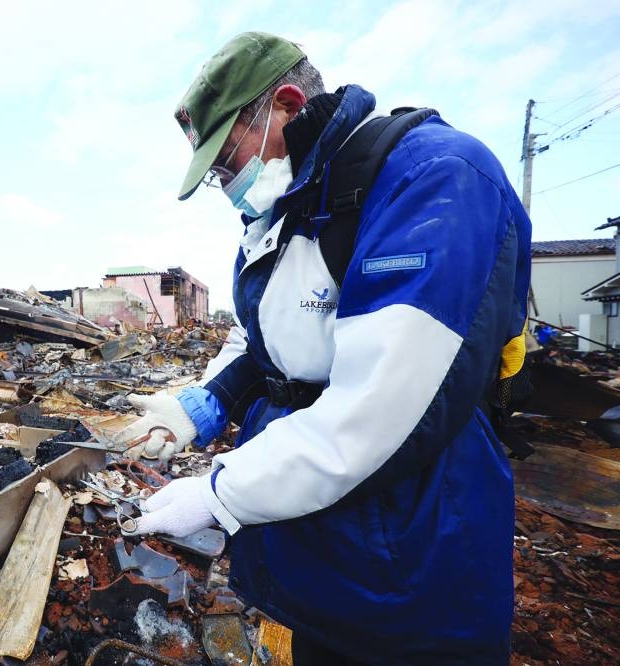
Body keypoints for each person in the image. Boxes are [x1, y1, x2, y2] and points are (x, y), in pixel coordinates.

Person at [116, 32, 531, 664]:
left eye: (228, 159)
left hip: (412, 562)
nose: (227, 182)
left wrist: (219, 494)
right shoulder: (284, 211)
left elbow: (383, 410)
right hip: (324, 558)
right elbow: (262, 340)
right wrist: (201, 404)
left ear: (283, 103)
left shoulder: (432, 178)